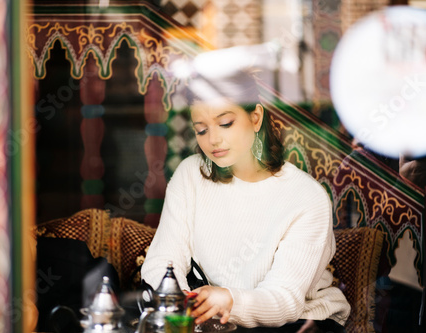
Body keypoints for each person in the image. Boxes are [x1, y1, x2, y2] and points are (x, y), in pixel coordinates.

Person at [140, 72, 351, 333]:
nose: (213, 139)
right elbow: (163, 259)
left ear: (255, 118)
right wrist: (180, 303)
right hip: (211, 322)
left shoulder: (306, 197)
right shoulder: (190, 175)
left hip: (297, 323)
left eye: (225, 123)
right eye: (201, 130)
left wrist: (230, 299)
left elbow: (285, 300)